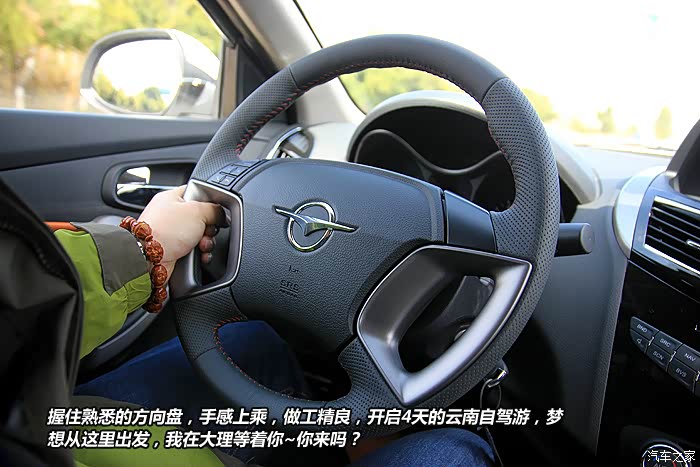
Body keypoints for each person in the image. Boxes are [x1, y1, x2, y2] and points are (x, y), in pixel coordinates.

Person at [57, 186, 495, 467]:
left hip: (50, 425)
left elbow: (24, 307)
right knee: (456, 451)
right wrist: (141, 246)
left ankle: (333, 449)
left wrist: (144, 249)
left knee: (247, 341)